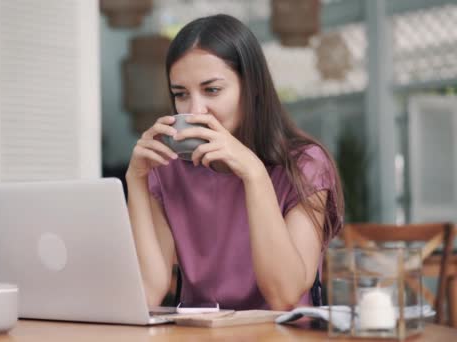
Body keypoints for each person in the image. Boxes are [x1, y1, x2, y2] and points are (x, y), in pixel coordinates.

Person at [126, 14, 344, 311]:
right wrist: (136, 180)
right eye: (181, 94)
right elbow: (147, 294)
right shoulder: (167, 169)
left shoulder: (305, 165)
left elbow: (284, 296)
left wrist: (253, 173)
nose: (195, 111)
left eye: (212, 90)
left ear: (252, 87)